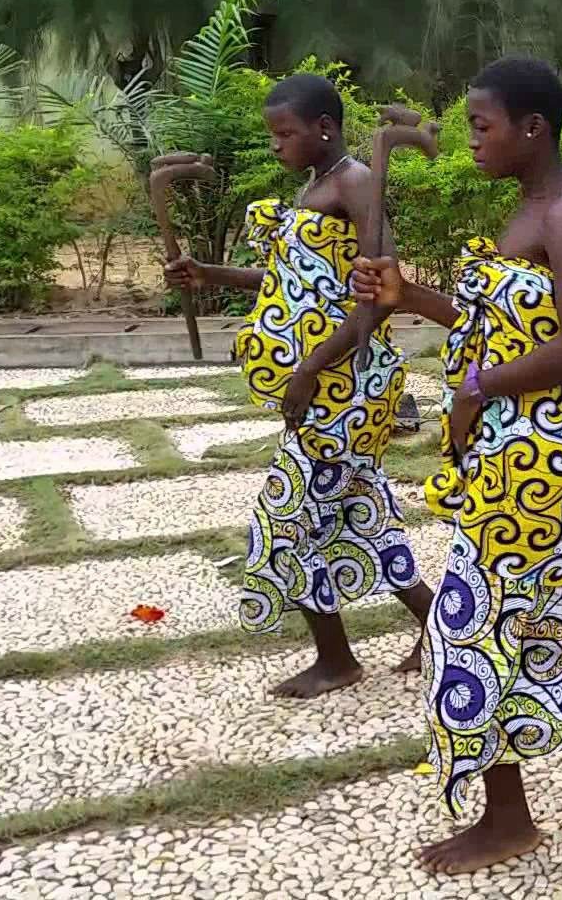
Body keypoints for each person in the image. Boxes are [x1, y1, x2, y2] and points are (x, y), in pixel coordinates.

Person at [350, 57, 562, 874]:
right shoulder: (528, 210)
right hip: (524, 451)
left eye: (482, 125)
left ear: (532, 128)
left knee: (465, 625)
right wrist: (409, 295)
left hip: (550, 455)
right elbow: (490, 321)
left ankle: (508, 819)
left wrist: (476, 387)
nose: (471, 140)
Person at [162, 73, 433, 698]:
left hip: (350, 384)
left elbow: (380, 293)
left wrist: (310, 370)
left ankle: (337, 660)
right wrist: (208, 273)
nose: (276, 145)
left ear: (325, 128)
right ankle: (441, 627)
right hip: (324, 383)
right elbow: (288, 282)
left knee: (289, 518)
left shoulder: (357, 182)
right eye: (272, 135)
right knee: (361, 515)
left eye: (285, 134)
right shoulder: (315, 186)